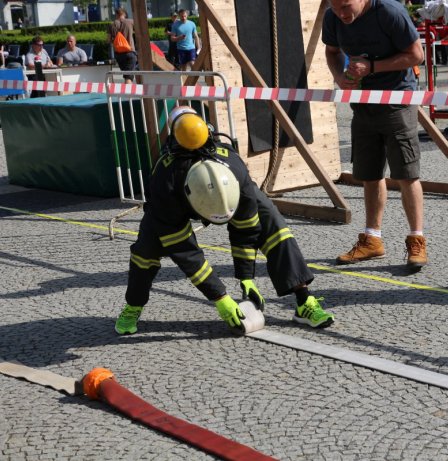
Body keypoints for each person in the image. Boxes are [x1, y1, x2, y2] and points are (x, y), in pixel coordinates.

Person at [114, 107, 335, 335]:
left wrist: (246, 278)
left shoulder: (236, 170)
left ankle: (303, 301)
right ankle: (133, 305)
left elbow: (246, 228)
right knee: (145, 251)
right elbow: (185, 251)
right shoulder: (164, 182)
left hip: (231, 191)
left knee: (274, 225)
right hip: (172, 203)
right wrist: (220, 297)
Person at [323, 0, 428, 270]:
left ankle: (417, 239)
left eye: (346, 7)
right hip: (362, 104)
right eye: (335, 8)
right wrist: (339, 77)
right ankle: (372, 240)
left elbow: (417, 55)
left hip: (397, 100)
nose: (342, 15)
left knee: (406, 174)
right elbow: (332, 51)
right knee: (369, 175)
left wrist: (371, 67)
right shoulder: (332, 17)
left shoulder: (389, 12)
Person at [108, 7, 137, 84]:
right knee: (128, 77)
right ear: (124, 14)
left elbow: (108, 40)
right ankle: (129, 94)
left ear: (116, 14)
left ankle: (128, 93)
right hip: (129, 52)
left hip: (119, 54)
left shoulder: (112, 25)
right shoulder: (131, 22)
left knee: (126, 75)